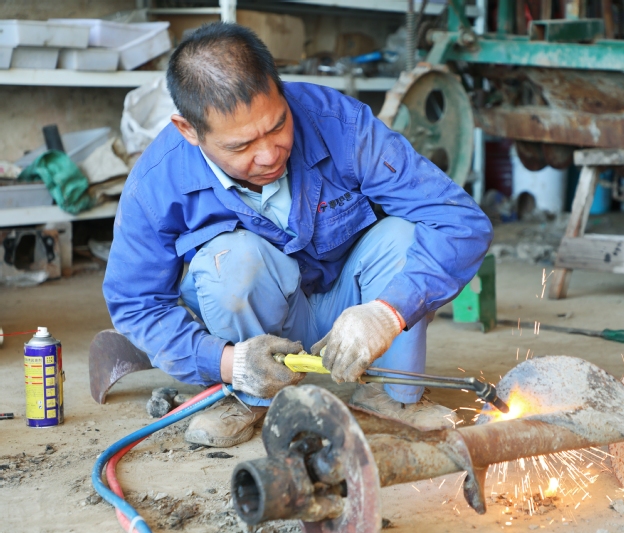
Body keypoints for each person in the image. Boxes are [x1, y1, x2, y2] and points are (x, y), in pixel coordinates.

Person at [103, 22, 492, 448]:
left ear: (280, 89)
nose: (269, 155)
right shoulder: (157, 182)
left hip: (351, 307)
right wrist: (230, 363)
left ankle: (393, 396)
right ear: (188, 130)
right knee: (230, 261)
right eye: (241, 146)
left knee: (404, 236)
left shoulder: (340, 123)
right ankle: (252, 396)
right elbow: (136, 303)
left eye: (277, 126)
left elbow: (460, 221)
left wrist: (388, 313)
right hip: (255, 329)